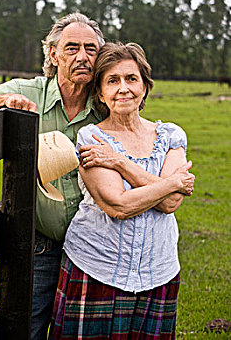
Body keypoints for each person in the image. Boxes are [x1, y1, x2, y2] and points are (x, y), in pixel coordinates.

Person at [0, 13, 106, 339]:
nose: (82, 56)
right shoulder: (29, 91)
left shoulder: (106, 102)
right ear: (53, 54)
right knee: (20, 329)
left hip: (93, 246)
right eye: (72, 47)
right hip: (42, 245)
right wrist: (4, 101)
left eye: (91, 49)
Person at [50, 42, 195, 339]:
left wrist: (119, 162)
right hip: (96, 266)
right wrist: (173, 182)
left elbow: (171, 204)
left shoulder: (170, 135)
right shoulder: (92, 138)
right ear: (100, 93)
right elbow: (117, 206)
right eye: (112, 81)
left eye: (131, 78)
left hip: (158, 270)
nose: (123, 88)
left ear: (145, 86)